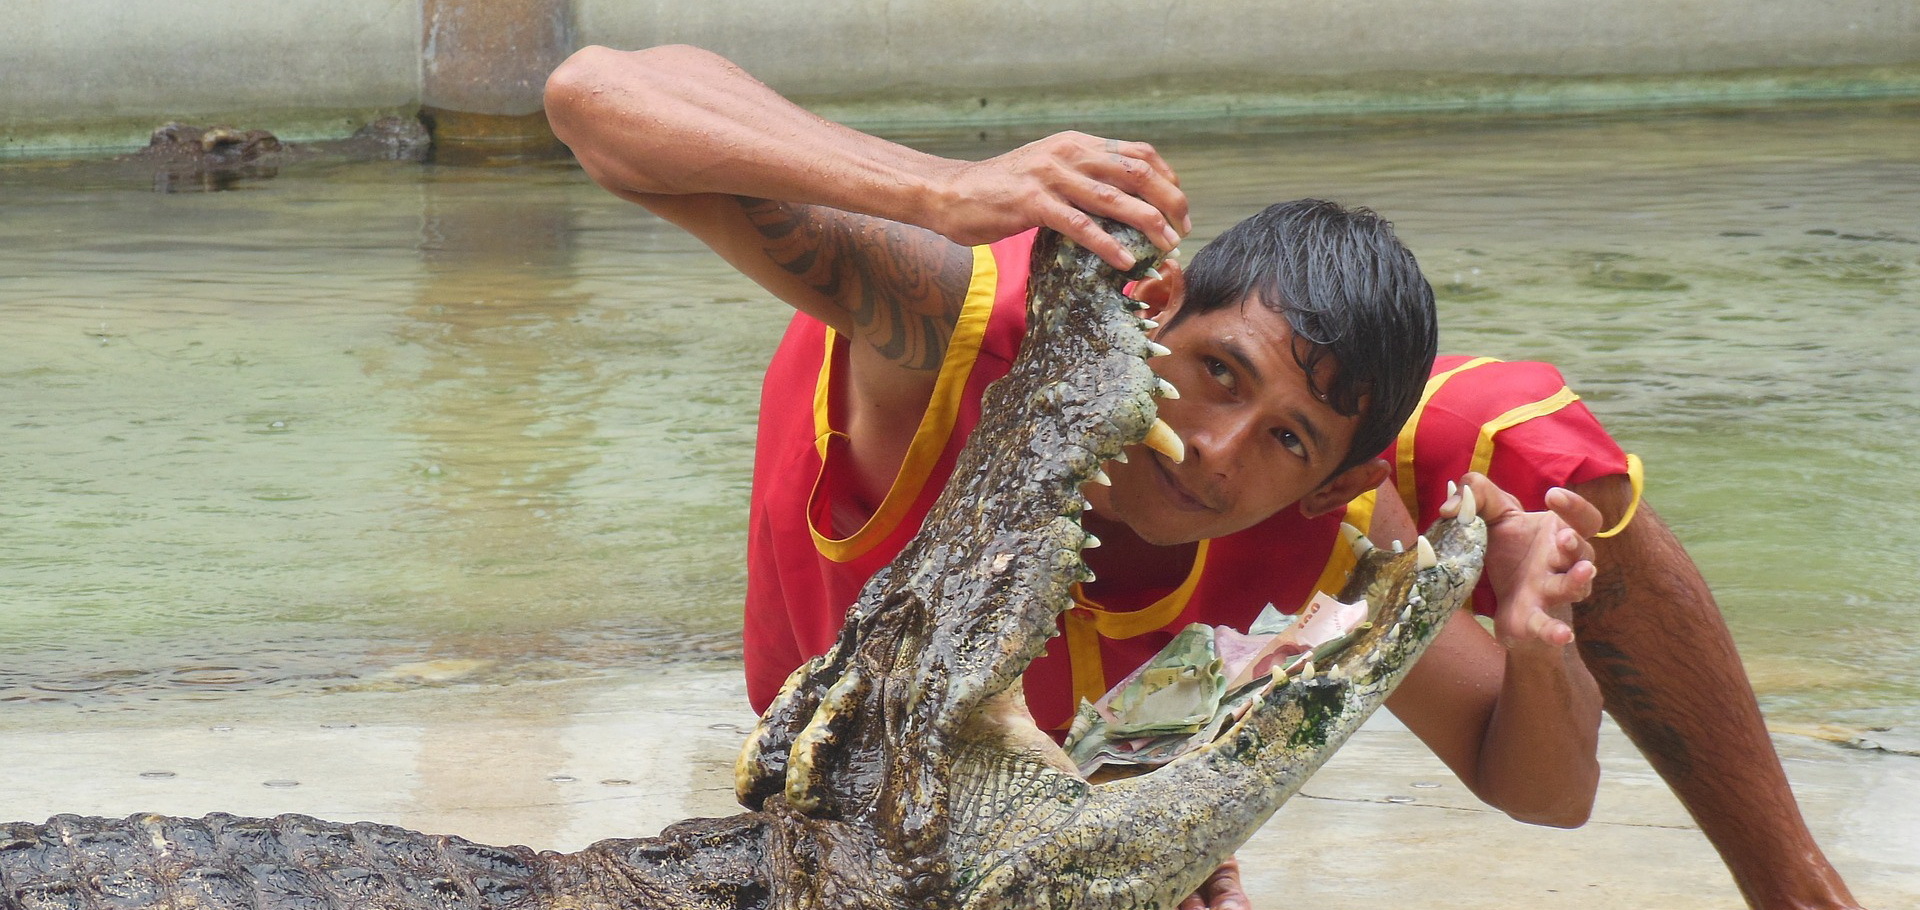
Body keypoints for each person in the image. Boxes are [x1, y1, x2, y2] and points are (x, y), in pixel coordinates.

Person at [542, 44, 1858, 910]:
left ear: (1331, 479)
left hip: (1092, 719)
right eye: (1216, 372)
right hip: (856, 720)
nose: (1220, 451)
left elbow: (1544, 792)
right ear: (1162, 317)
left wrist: (1538, 635)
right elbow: (594, 95)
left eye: (1287, 437)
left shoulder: (1342, 519)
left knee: (1521, 447)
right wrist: (942, 188)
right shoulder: (978, 330)